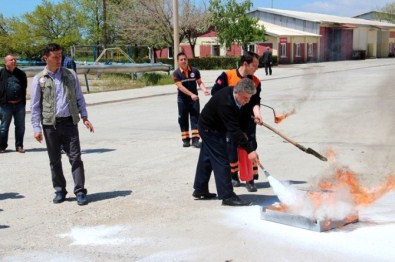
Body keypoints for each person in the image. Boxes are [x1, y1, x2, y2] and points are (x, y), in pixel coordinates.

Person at [30, 43, 94, 205]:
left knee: (76, 158)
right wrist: (36, 128)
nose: (59, 59)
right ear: (46, 58)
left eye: (61, 56)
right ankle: (60, 190)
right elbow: (35, 106)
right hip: (50, 125)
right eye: (55, 56)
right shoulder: (39, 79)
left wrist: (84, 116)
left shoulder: (70, 74)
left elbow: (79, 97)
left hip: (69, 123)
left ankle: (80, 191)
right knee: (54, 160)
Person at [193, 78, 260, 206]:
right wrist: (250, 150)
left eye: (249, 98)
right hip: (209, 127)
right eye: (245, 98)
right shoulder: (226, 102)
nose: (247, 101)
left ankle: (200, 189)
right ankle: (227, 196)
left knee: (207, 157)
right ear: (236, 92)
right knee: (222, 160)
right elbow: (234, 130)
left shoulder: (243, 99)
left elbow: (244, 116)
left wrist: (245, 132)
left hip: (218, 126)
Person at [211, 51, 262, 192]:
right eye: (254, 65)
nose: (257, 68)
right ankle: (234, 176)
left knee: (250, 146)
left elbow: (256, 101)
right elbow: (215, 93)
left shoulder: (256, 81)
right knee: (231, 148)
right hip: (231, 120)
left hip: (249, 120)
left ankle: (250, 179)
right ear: (245, 64)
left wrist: (257, 114)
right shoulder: (227, 76)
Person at [173, 52, 210, 148]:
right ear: (178, 61)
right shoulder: (176, 73)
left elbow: (199, 82)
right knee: (182, 119)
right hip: (182, 100)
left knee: (195, 118)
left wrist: (204, 89)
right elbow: (180, 87)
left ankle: (196, 140)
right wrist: (191, 94)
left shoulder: (194, 71)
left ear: (187, 60)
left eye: (185, 59)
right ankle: (185, 140)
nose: (184, 61)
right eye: (181, 60)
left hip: (194, 100)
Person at [0, 54, 28, 153]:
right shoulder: (1, 73)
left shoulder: (21, 74)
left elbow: (24, 87)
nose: (14, 61)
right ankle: (2, 146)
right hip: (5, 105)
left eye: (15, 60)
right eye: (11, 60)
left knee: (20, 126)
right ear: (6, 62)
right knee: (4, 127)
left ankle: (19, 146)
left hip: (19, 104)